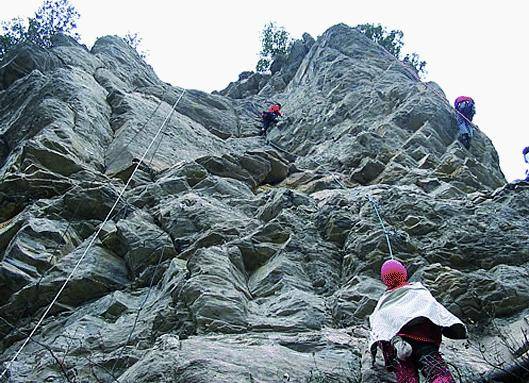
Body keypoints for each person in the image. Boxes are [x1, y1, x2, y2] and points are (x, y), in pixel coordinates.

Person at [369, 260, 467, 383]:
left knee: (407, 380)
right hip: (424, 343)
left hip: (398, 351)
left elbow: (380, 329)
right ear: (403, 273)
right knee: (437, 373)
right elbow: (434, 310)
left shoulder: (383, 302)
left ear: (385, 279)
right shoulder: (418, 290)